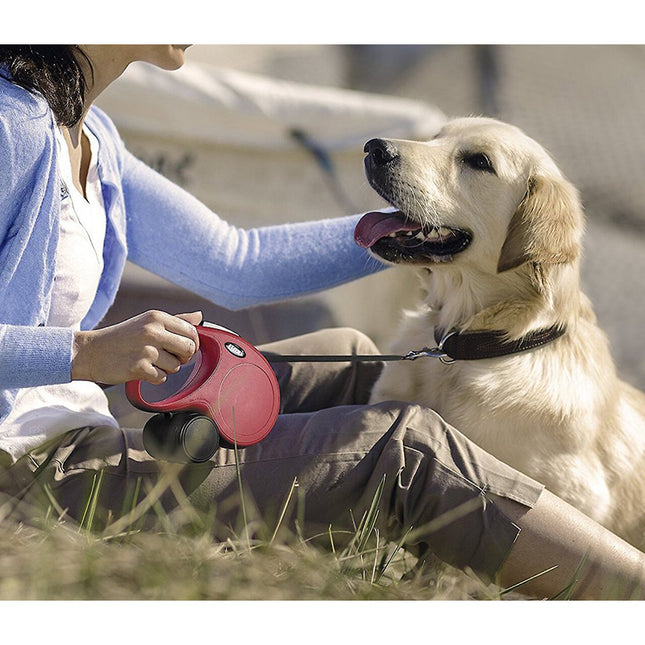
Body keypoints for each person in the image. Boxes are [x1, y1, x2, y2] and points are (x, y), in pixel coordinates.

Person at [0, 45, 643, 601]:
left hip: (86, 418)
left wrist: (410, 233)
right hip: (35, 468)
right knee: (407, 449)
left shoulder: (92, 138)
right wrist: (87, 354)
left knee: (355, 354)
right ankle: (629, 590)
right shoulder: (13, 127)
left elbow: (238, 263)